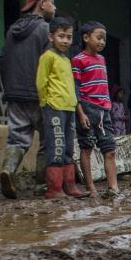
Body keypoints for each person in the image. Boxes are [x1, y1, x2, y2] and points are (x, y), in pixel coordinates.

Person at [0, 0, 56, 199]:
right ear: (41, 3)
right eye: (52, 2)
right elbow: (51, 65)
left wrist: (9, 87)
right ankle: (42, 185)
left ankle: (8, 169)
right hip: (39, 94)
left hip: (15, 94)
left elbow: (2, 60)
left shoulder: (13, 29)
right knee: (48, 139)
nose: (54, 7)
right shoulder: (45, 30)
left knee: (17, 138)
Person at [36, 17, 84, 199]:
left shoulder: (66, 59)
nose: (65, 41)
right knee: (56, 146)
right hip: (54, 107)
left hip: (69, 108)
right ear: (51, 37)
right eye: (61, 36)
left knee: (68, 148)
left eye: (69, 37)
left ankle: (69, 185)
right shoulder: (48, 57)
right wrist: (45, 103)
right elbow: (41, 82)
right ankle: (54, 189)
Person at [72, 21, 118, 198]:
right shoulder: (78, 60)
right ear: (85, 38)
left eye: (104, 39)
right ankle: (91, 188)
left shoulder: (102, 59)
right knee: (87, 147)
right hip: (87, 108)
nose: (102, 42)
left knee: (109, 148)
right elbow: (76, 88)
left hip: (104, 109)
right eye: (98, 38)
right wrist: (81, 112)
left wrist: (108, 106)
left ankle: (113, 187)